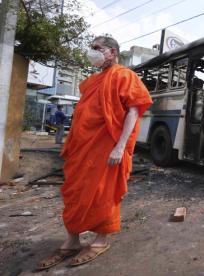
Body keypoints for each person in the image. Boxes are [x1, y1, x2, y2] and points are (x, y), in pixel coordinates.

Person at [36, 36, 153, 270]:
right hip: (82, 148)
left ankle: (100, 241)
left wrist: (120, 146)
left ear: (112, 52)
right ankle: (72, 241)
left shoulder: (124, 75)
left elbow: (133, 111)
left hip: (107, 147)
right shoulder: (91, 82)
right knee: (74, 191)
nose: (93, 53)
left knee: (103, 193)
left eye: (97, 49)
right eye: (92, 48)